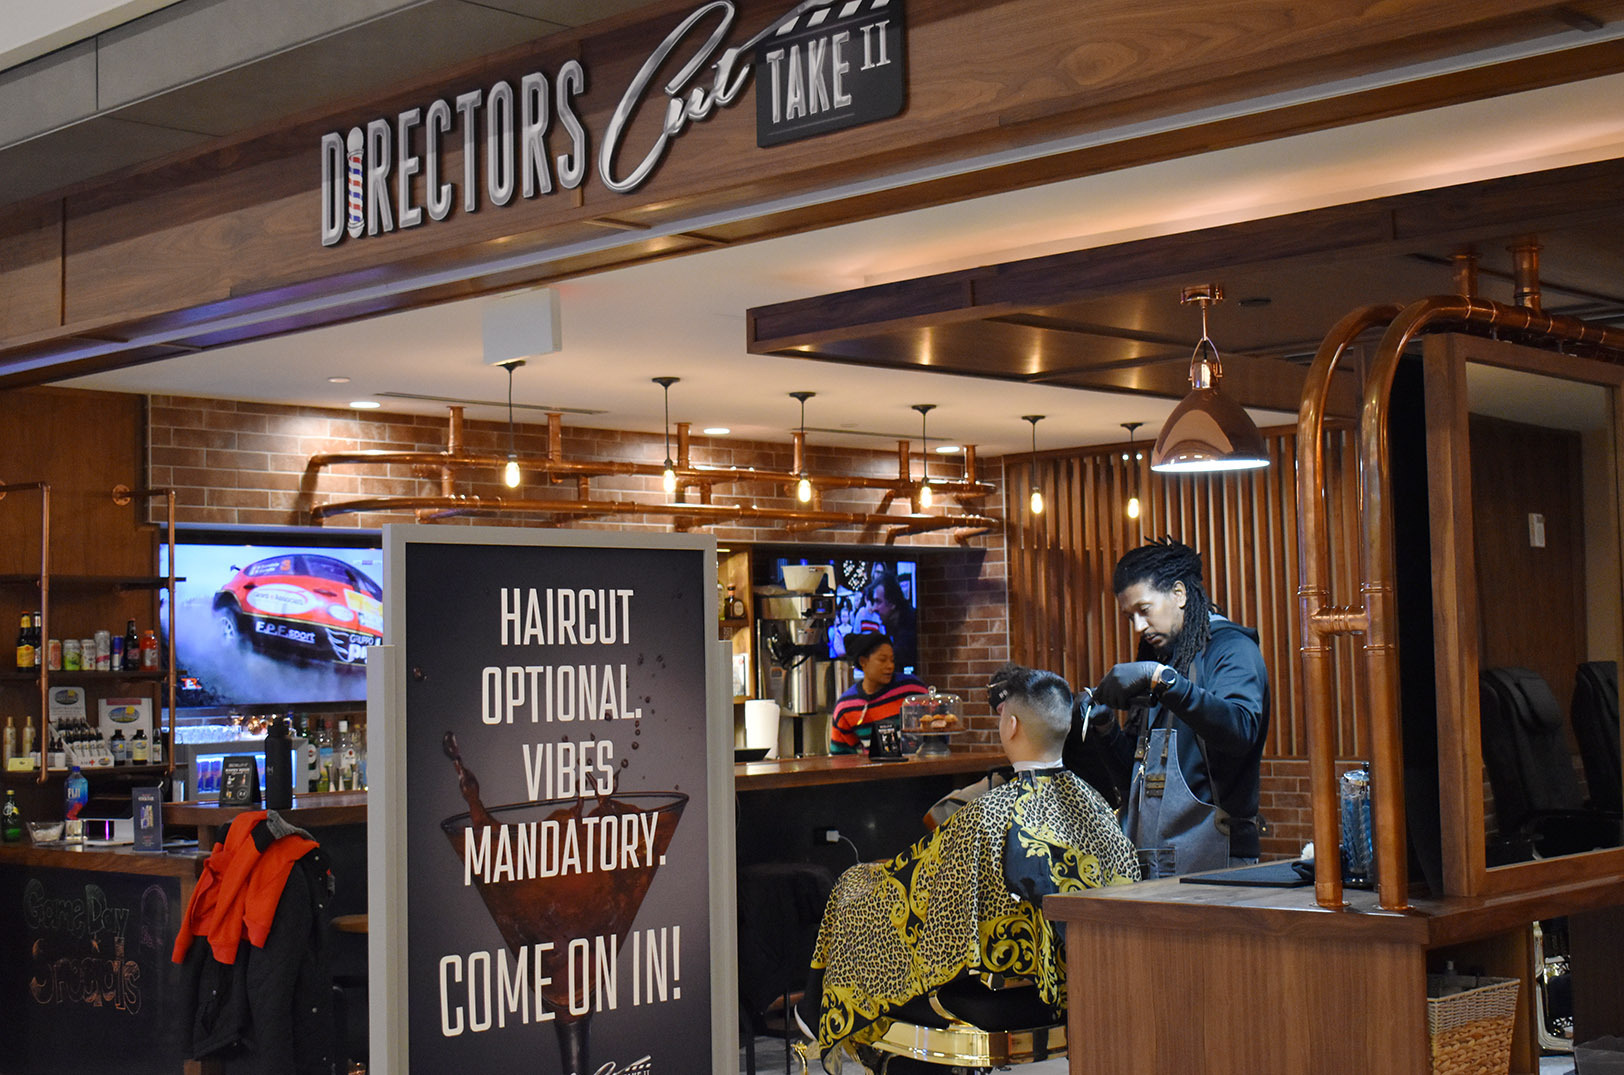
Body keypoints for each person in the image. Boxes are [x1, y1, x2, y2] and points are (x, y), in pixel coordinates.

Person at [802, 664, 1138, 1071]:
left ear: (1010, 725)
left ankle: (816, 1011)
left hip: (988, 990)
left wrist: (857, 881)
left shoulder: (986, 815)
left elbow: (922, 893)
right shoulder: (1098, 808)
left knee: (855, 892)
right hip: (1078, 980)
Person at [1081, 538, 1270, 875]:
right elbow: (1135, 780)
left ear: (1179, 594)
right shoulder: (1165, 660)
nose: (1139, 627)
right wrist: (1106, 729)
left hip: (1219, 864)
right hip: (1155, 863)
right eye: (1130, 617)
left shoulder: (1230, 648)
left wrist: (1164, 681)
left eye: (1144, 610)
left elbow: (1241, 729)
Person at [828, 632, 928, 754]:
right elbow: (841, 757)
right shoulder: (846, 707)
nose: (890, 666)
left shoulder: (912, 689)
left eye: (892, 660)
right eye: (882, 660)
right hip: (873, 771)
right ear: (863, 662)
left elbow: (938, 732)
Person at [852, 569, 917, 671]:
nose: (874, 608)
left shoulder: (911, 627)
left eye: (878, 602)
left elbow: (895, 658)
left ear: (892, 603)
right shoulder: (894, 624)